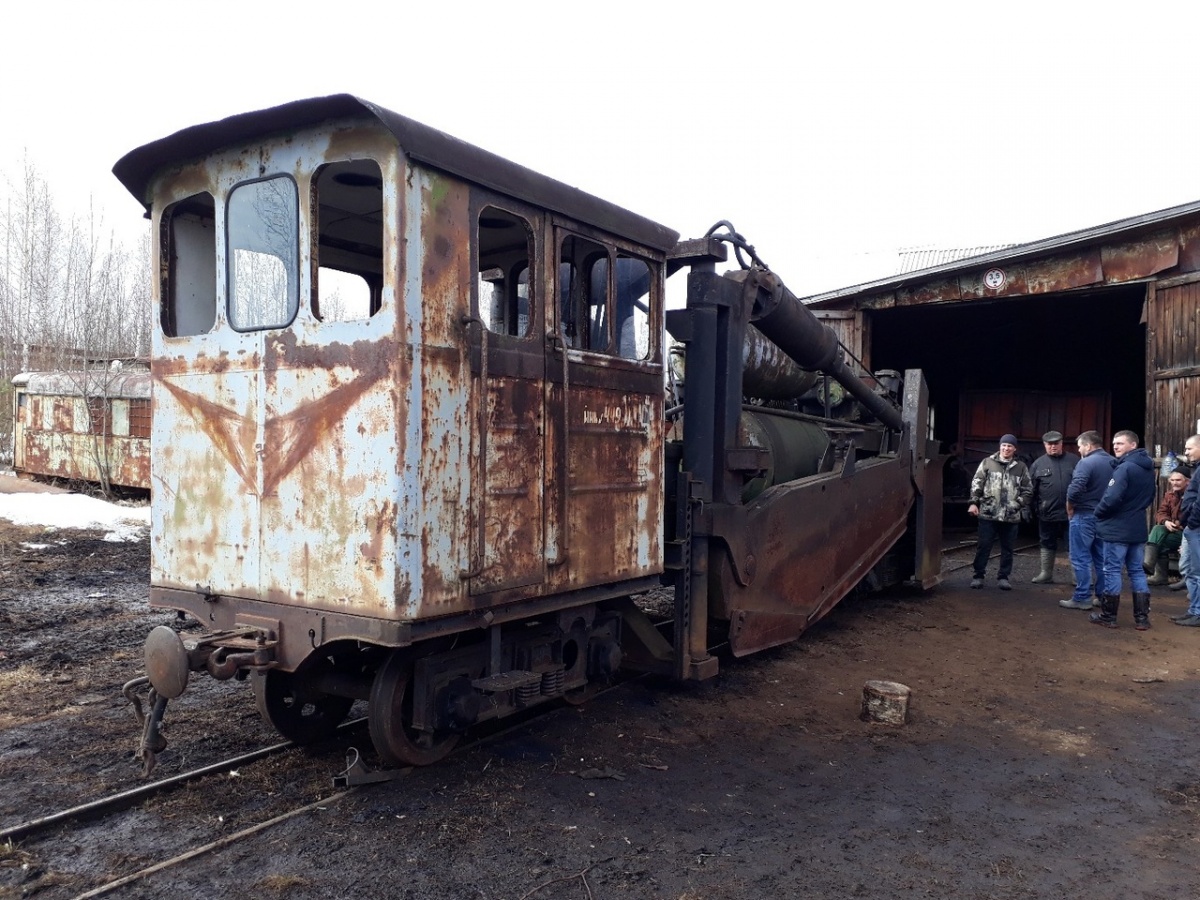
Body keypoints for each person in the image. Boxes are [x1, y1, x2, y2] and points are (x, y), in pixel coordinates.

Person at [1092, 430, 1156, 629]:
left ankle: (1109, 616)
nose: (1115, 447)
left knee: (1112, 570)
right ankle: (1142, 619)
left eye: (1120, 443)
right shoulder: (1148, 469)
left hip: (1117, 528)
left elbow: (1111, 498)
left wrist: (1099, 513)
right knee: (1137, 571)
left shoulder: (1125, 468)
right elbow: (1150, 497)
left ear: (1133, 445)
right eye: (1114, 443)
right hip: (1137, 527)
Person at [967, 434, 1032, 591]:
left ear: (1014, 449)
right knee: (984, 546)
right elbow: (977, 484)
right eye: (1004, 445)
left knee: (1008, 548)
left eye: (1009, 446)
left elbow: (1028, 490)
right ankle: (978, 576)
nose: (1006, 448)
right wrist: (973, 503)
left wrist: (1018, 504)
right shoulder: (988, 463)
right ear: (999, 446)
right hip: (988, 513)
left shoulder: (1021, 467)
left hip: (1011, 515)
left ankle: (1003, 577)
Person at [1061, 430, 1114, 610]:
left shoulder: (1086, 463)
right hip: (1104, 516)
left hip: (1084, 514)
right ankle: (1101, 596)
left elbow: (1075, 487)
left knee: (1080, 557)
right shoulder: (1113, 462)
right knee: (1100, 558)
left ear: (1088, 446)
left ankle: (1082, 596)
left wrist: (1070, 506)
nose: (1079, 450)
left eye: (1080, 446)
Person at [1028, 430, 1079, 584]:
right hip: (1047, 513)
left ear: (1062, 443)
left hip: (1072, 513)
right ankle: (1046, 574)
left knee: (1074, 545)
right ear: (1044, 445)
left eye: (1056, 443)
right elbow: (1031, 489)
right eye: (1049, 444)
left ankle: (1078, 577)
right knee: (1046, 542)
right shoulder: (1038, 464)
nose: (1053, 447)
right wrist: (1029, 509)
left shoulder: (1074, 461)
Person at [1145, 466, 1190, 585]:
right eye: (1172, 480)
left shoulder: (1192, 495)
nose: (1174, 483)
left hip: (1187, 534)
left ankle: (1150, 565)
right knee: (1159, 530)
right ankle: (1159, 575)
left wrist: (1180, 525)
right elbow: (1161, 512)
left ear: (1187, 481)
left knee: (1159, 535)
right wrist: (1166, 521)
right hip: (1174, 531)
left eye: (1178, 480)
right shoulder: (1170, 495)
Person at [1172, 435, 1200, 626]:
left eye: (1189, 448)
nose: (1186, 452)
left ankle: (1197, 613)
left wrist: (1191, 522)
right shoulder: (1197, 469)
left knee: (1197, 572)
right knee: (1190, 570)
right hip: (1193, 527)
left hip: (1197, 527)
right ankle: (1193, 610)